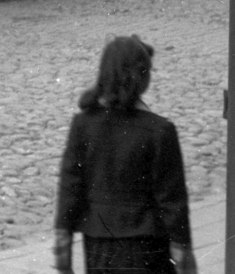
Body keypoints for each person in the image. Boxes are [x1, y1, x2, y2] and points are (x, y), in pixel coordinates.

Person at [54, 36, 196, 274]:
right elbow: (172, 199)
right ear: (143, 78)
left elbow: (70, 186)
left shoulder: (83, 124)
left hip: (98, 244)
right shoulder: (159, 131)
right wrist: (182, 250)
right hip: (147, 247)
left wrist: (63, 241)